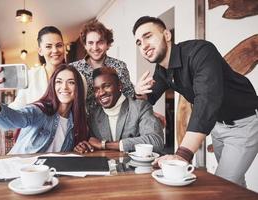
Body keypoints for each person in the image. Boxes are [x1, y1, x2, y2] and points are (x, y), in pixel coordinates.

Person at [132, 16, 258, 186]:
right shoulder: (162, 70)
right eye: (139, 42)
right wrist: (138, 92)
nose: (144, 45)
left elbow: (206, 101)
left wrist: (182, 154)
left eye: (148, 36)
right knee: (235, 185)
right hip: (218, 126)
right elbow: (150, 97)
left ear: (167, 35)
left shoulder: (201, 51)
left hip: (244, 123)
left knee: (222, 185)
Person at [0, 26, 66, 132]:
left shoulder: (75, 76)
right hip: (37, 137)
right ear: (40, 51)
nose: (55, 50)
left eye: (59, 45)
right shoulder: (31, 76)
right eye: (48, 46)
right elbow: (17, 107)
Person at [0, 63, 88, 154]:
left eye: (71, 82)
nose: (64, 87)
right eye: (59, 82)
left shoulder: (76, 121)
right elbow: (10, 121)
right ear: (52, 86)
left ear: (78, 87)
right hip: (19, 172)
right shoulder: (39, 110)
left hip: (50, 176)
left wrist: (80, 147)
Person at [74, 67, 164, 153]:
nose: (101, 93)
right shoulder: (94, 115)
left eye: (106, 86)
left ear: (119, 85)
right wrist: (84, 146)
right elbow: (92, 143)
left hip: (135, 167)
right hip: (105, 166)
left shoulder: (140, 107)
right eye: (96, 89)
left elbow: (156, 141)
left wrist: (105, 145)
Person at [71, 20, 135, 112]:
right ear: (85, 45)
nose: (95, 48)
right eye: (90, 43)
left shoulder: (119, 66)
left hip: (114, 121)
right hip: (83, 122)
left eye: (100, 42)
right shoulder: (73, 69)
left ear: (108, 44)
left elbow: (129, 96)